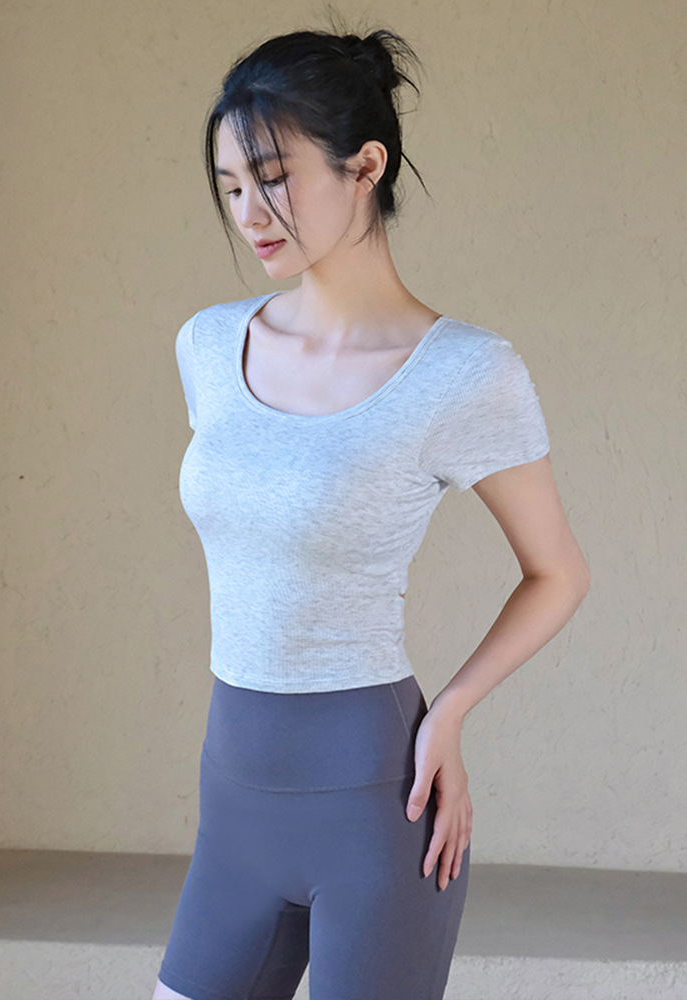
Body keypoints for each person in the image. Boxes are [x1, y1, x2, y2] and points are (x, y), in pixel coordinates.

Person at [152, 17, 590, 1000]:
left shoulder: (464, 372)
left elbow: (559, 572)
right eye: (230, 186)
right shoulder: (208, 347)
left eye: (273, 177)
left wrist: (452, 713)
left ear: (365, 167)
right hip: (232, 806)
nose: (249, 212)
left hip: (376, 807)